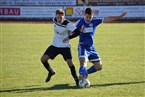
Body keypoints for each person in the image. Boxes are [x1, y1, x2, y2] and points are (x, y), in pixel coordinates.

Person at [63, 7, 127, 79]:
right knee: (83, 61)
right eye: (87, 17)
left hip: (91, 47)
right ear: (84, 15)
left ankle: (85, 72)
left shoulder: (94, 21)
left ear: (92, 15)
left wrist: (119, 17)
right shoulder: (80, 22)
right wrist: (79, 30)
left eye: (90, 17)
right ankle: (81, 77)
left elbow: (107, 19)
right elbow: (71, 32)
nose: (89, 18)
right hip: (83, 46)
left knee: (99, 66)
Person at [40, 9, 82, 86]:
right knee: (43, 59)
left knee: (69, 63)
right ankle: (51, 71)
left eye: (61, 17)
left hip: (65, 47)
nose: (59, 19)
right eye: (58, 17)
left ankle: (76, 80)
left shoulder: (67, 23)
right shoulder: (54, 20)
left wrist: (69, 37)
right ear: (56, 16)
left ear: (63, 16)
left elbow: (78, 32)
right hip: (55, 45)